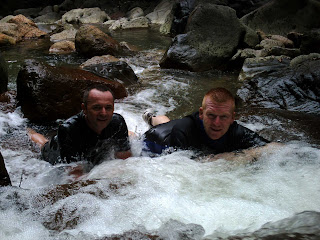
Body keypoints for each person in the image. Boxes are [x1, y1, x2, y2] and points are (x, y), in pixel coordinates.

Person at [143, 87, 275, 160]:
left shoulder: (236, 131)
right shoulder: (183, 129)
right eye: (211, 115)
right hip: (156, 140)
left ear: (232, 118)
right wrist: (223, 159)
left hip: (179, 126)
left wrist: (245, 155)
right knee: (160, 128)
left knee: (170, 122)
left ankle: (151, 118)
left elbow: (277, 148)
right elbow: (185, 170)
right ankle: (152, 119)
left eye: (223, 117)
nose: (217, 123)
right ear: (201, 113)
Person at [29, 84, 132, 167]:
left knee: (130, 135)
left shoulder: (117, 122)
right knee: (43, 144)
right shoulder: (69, 129)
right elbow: (75, 176)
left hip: (93, 147)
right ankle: (30, 132)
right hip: (54, 150)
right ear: (84, 108)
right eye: (97, 108)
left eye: (108, 107)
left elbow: (125, 161)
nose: (104, 113)